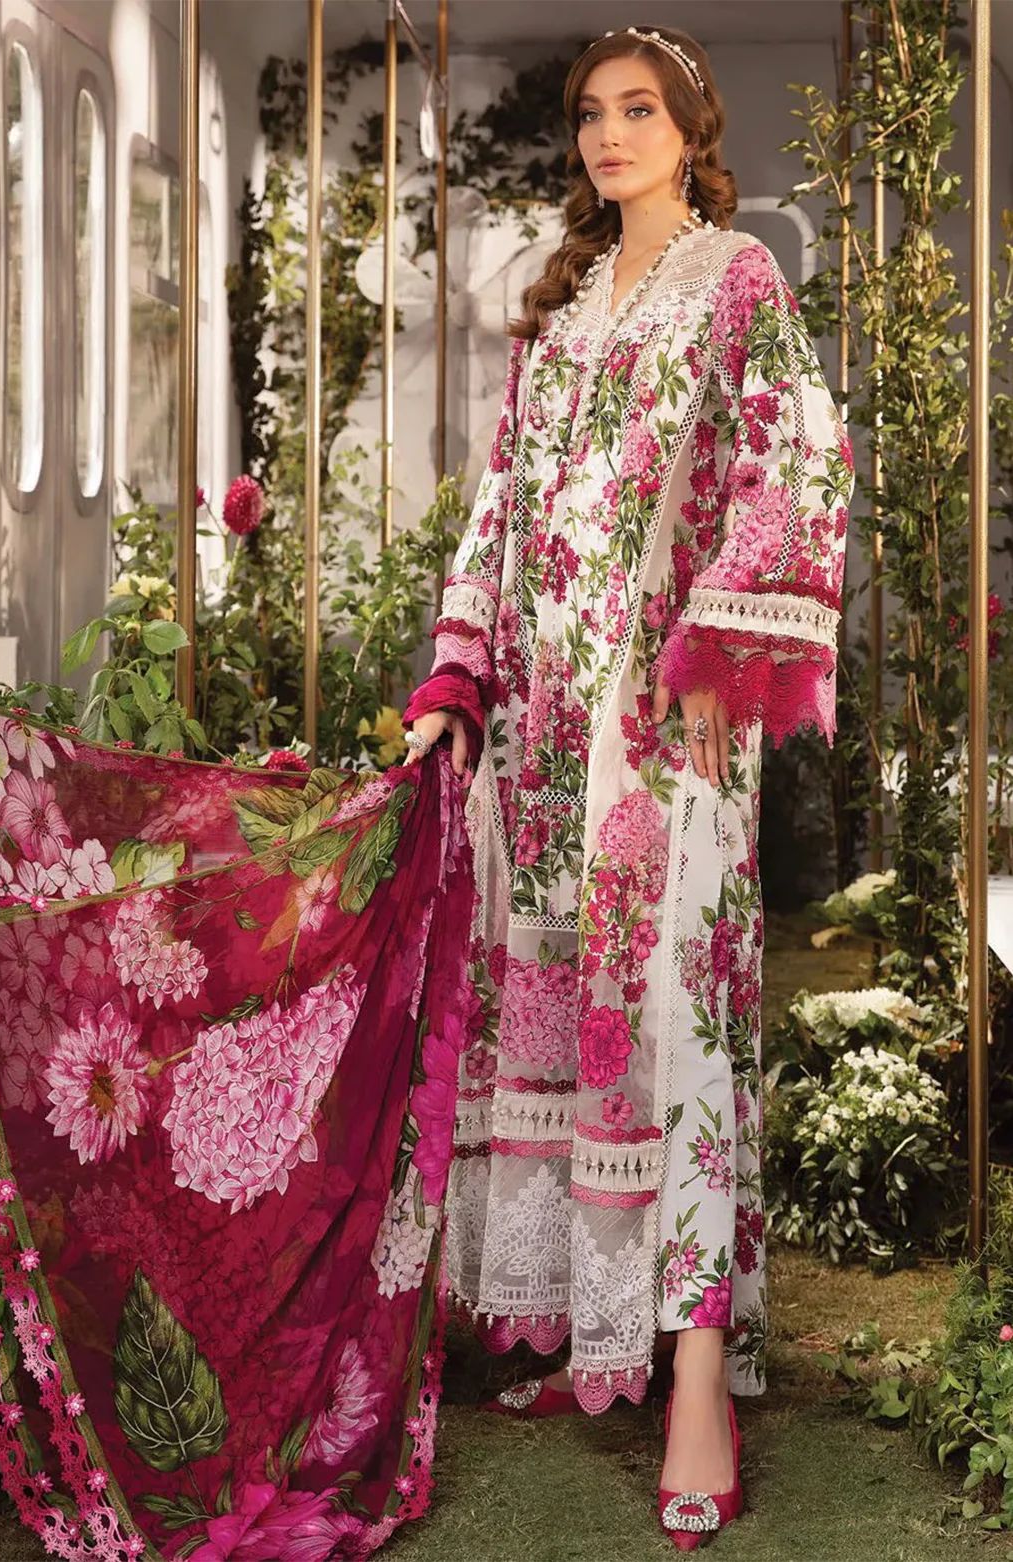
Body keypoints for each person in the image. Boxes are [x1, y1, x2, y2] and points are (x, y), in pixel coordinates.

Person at [402, 22, 854, 1549]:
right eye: (590, 114)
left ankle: (700, 1377)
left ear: (687, 123)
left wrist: (724, 652)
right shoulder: (558, 302)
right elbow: (500, 505)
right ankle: (605, 1336)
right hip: (539, 742)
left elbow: (797, 459)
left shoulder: (734, 280)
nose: (607, 135)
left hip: (660, 737)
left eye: (636, 108)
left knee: (676, 1025)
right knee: (560, 1029)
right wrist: (459, 674)